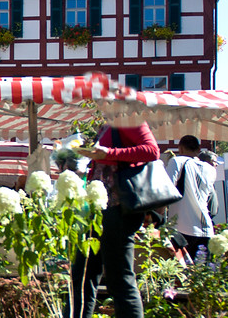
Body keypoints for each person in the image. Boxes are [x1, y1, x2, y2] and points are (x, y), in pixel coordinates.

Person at [71, 122, 159, 318]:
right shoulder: (106, 125)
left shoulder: (129, 118)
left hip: (119, 208)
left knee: (119, 279)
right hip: (98, 210)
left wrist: (109, 154)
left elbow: (152, 150)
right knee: (83, 274)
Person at [164, 135, 216, 260]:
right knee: (201, 273)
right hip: (206, 228)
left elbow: (166, 190)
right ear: (199, 150)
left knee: (181, 274)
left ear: (180, 149)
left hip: (181, 228)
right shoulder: (211, 169)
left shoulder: (177, 161)